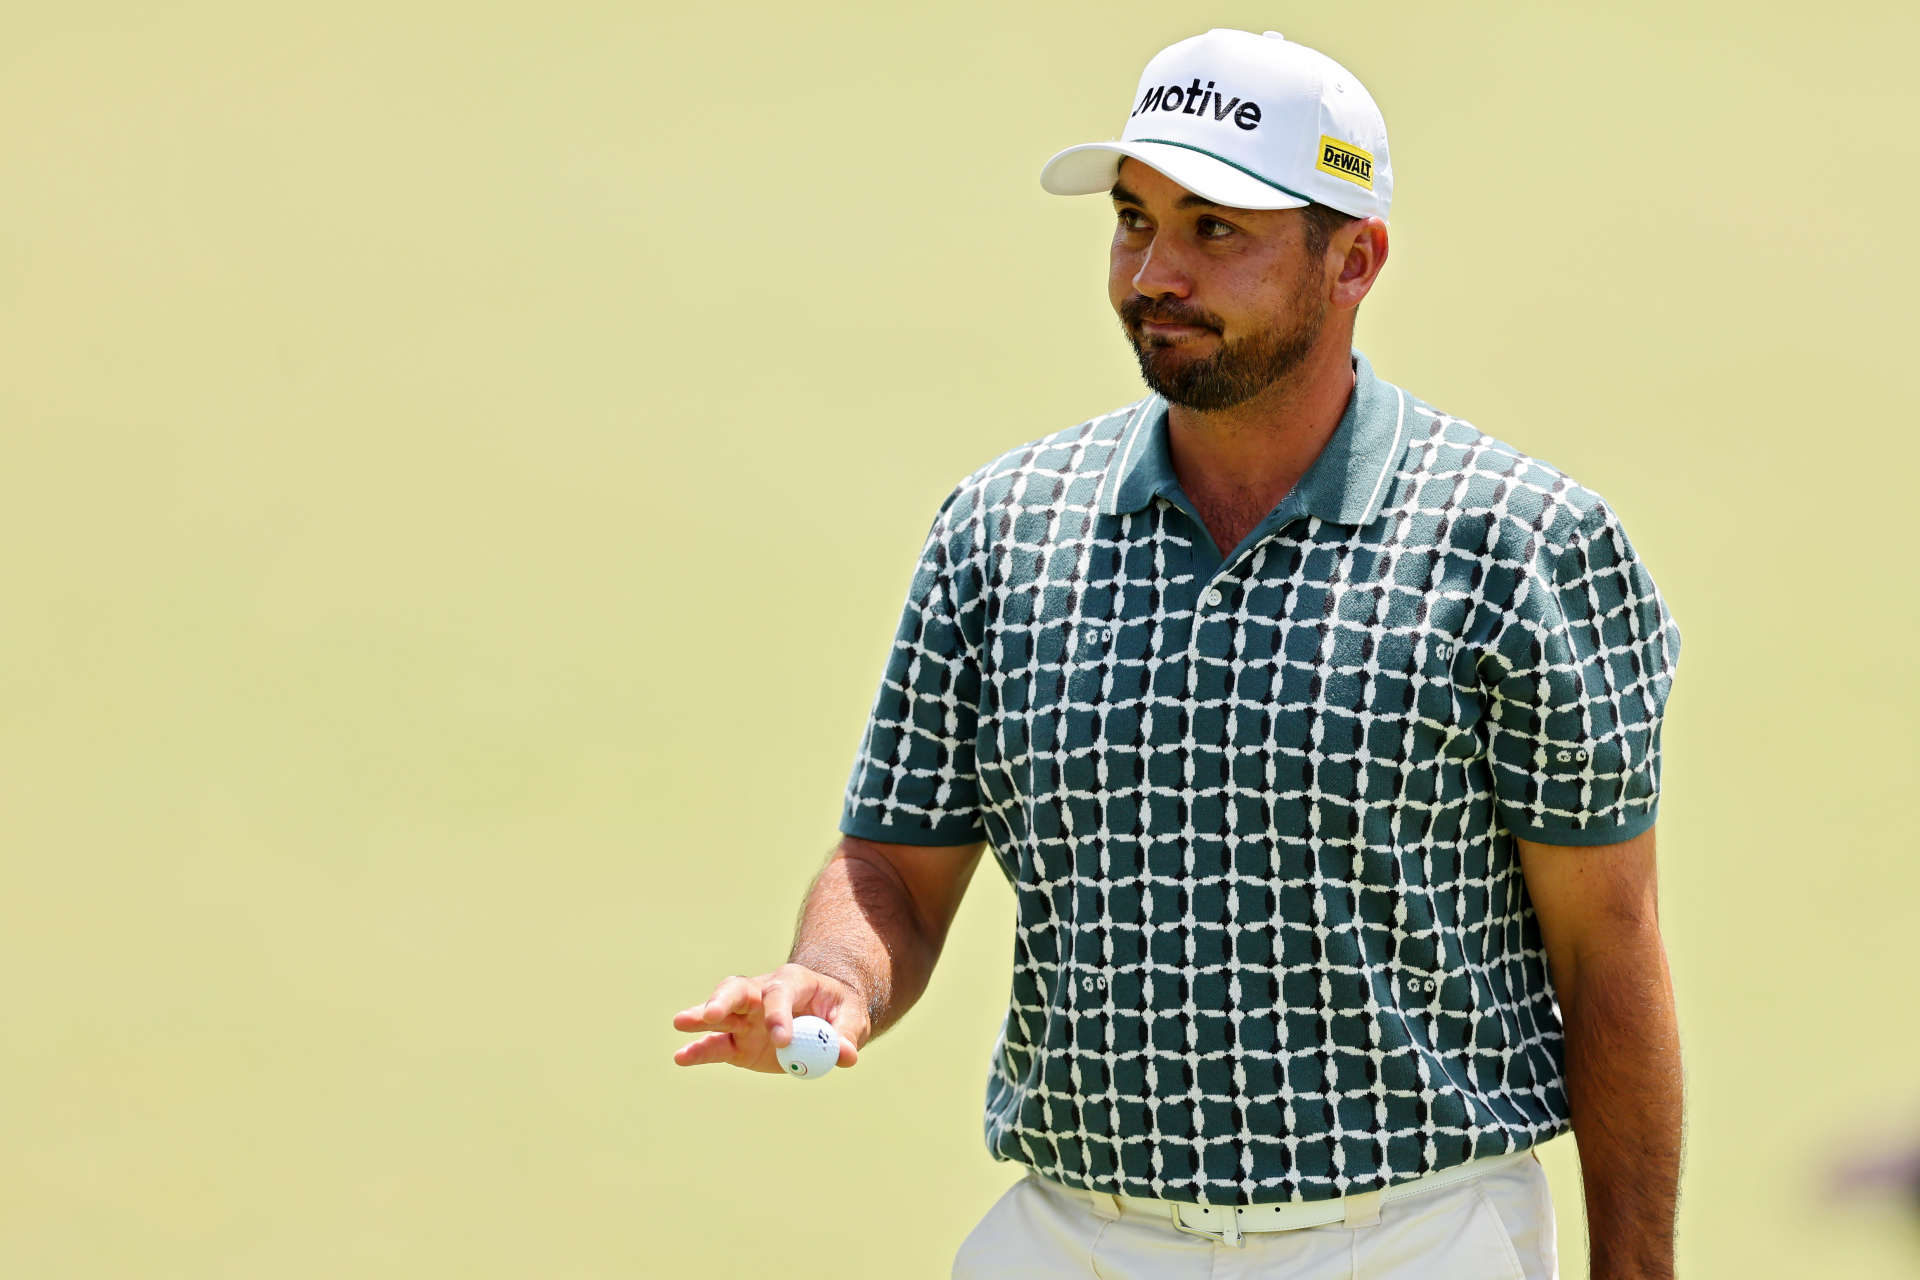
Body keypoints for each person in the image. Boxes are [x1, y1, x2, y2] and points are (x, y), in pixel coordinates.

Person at [673, 28, 1682, 1280]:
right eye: (1134, 219)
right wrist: (832, 974)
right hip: (1071, 1234)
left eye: (1215, 230)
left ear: (1353, 259)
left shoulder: (1523, 542)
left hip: (1415, 1237)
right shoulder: (1003, 525)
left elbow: (1608, 946)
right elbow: (895, 861)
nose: (1155, 270)